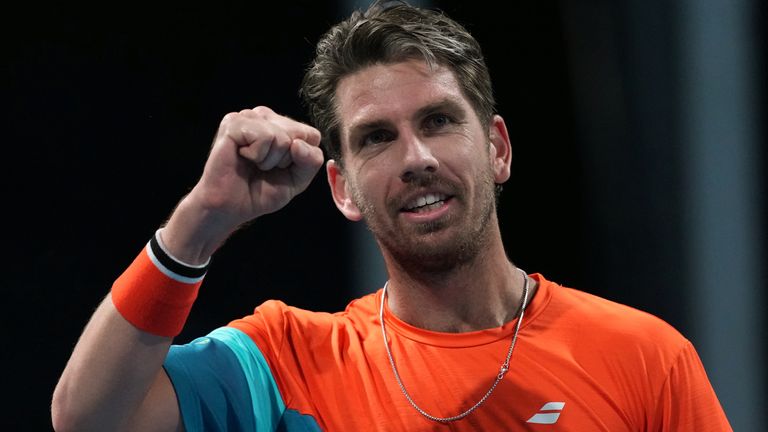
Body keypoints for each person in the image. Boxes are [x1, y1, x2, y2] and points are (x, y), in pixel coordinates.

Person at [51, 1, 732, 431]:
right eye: (377, 137)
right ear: (342, 189)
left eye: (438, 121)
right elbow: (85, 417)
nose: (415, 157)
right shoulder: (286, 360)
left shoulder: (645, 358)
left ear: (496, 148)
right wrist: (199, 222)